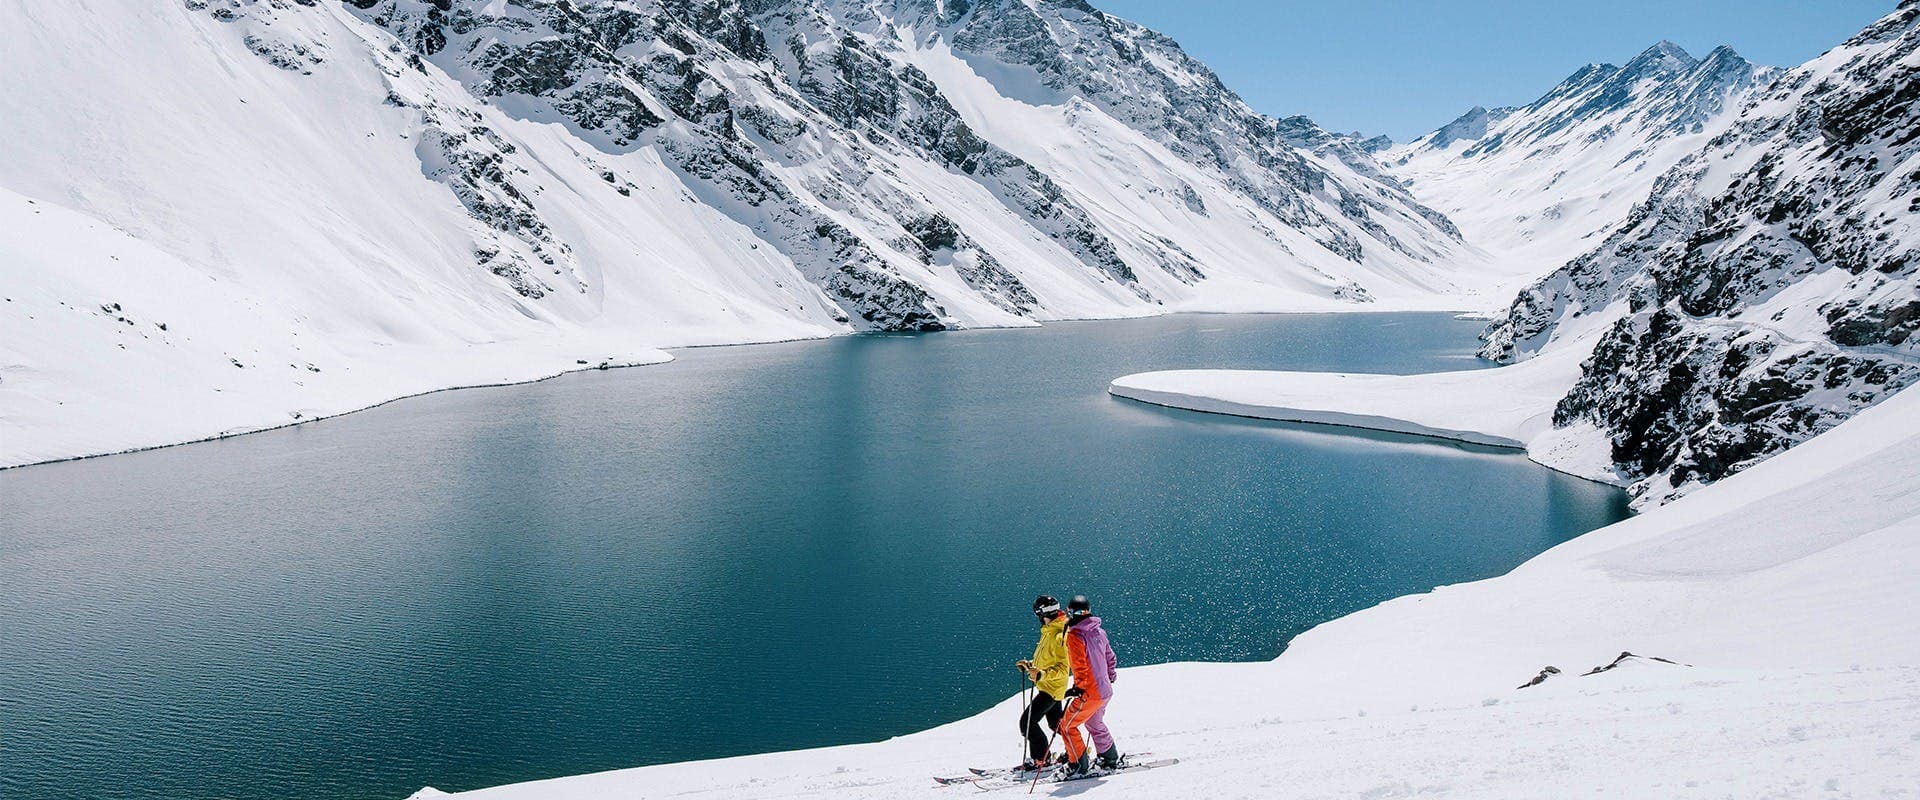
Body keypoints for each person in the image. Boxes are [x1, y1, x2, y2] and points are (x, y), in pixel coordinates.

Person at [1059, 594, 1121, 777]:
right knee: (1094, 722)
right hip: (1105, 691)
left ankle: (1077, 765)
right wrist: (1110, 676)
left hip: (1090, 692)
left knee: (1067, 726)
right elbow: (1110, 657)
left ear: (1070, 612)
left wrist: (1079, 687)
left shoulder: (1075, 636)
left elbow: (1080, 666)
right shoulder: (1099, 632)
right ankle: (1109, 757)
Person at [1013, 595, 1069, 772]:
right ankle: (1075, 750)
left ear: (1039, 613)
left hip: (1051, 688)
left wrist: (1041, 674)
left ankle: (1041, 760)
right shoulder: (1050, 630)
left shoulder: (1059, 635)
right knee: (1056, 725)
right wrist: (1030, 665)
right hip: (1049, 686)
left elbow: (1063, 668)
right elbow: (1046, 660)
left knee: (1027, 723)